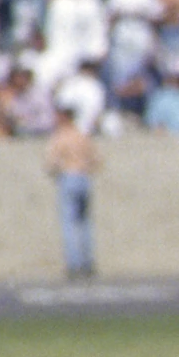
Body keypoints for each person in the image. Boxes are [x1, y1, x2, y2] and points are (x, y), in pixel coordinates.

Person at [44, 106, 100, 278]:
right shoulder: (82, 136)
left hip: (69, 176)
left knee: (69, 223)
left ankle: (74, 263)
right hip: (84, 177)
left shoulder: (60, 137)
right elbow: (97, 160)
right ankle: (88, 261)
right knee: (85, 222)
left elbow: (51, 162)